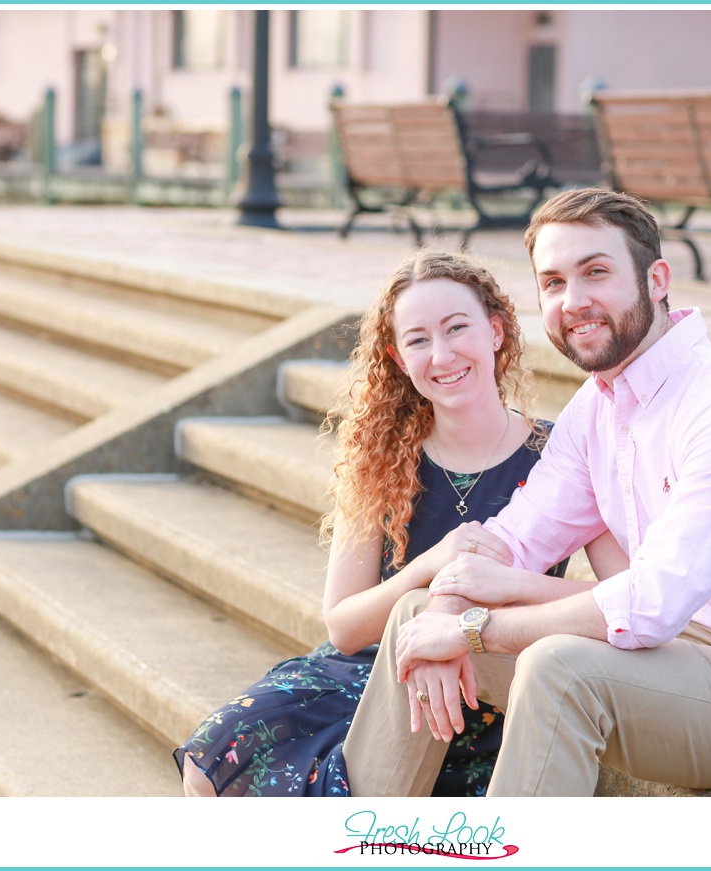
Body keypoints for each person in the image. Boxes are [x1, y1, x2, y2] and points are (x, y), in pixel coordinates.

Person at [343, 188, 711, 797]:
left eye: (596, 272)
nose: (573, 301)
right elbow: (511, 537)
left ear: (656, 279)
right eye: (553, 283)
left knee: (558, 669)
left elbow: (652, 600)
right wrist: (449, 608)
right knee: (416, 616)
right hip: (667, 659)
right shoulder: (596, 411)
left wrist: (473, 631)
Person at [174, 250, 612, 797]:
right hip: (356, 672)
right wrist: (424, 570)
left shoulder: (562, 455)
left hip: (482, 677)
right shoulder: (380, 458)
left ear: (497, 331)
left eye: (457, 328)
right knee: (212, 762)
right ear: (398, 358)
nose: (442, 354)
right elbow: (343, 626)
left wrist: (502, 593)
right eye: (419, 339)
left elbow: (617, 594)